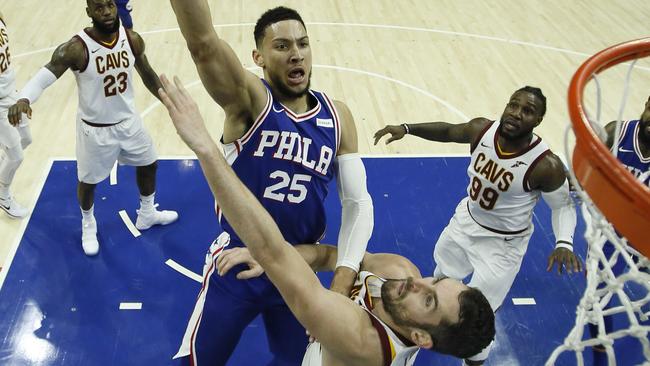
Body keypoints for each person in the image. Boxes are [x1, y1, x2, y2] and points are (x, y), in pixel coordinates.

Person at [158, 74, 495, 366]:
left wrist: (205, 147)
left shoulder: (358, 339)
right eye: (434, 282)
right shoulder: (398, 274)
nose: (418, 282)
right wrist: (271, 256)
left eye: (428, 299)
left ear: (420, 336)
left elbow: (272, 250)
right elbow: (329, 256)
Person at [169, 2, 374, 365]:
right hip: (237, 264)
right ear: (258, 57)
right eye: (282, 46)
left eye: (302, 44)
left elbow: (358, 205)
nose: (296, 54)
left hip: (299, 268)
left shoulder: (337, 116)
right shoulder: (249, 101)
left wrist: (340, 284)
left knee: (297, 360)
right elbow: (202, 42)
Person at [374, 86, 583, 365]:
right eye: (513, 105)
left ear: (538, 121)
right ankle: (424, 329)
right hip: (466, 222)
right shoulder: (482, 130)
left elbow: (562, 206)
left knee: (476, 315)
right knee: (442, 278)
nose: (517, 114)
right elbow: (447, 132)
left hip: (503, 245)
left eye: (528, 111)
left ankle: (474, 362)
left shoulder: (546, 165)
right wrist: (406, 128)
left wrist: (564, 242)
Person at [8, 0, 177, 256]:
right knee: (88, 182)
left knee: (149, 163)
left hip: (128, 121)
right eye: (99, 8)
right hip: (95, 129)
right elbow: (46, 75)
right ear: (89, 12)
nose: (107, 12)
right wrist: (24, 99)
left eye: (109, 5)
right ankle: (88, 222)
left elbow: (147, 73)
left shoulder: (132, 39)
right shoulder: (76, 48)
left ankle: (147, 213)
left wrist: (169, 101)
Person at [587, 96, 649, 365]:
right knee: (595, 298)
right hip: (611, 229)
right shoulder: (617, 132)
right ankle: (601, 352)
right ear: (646, 104)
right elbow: (586, 170)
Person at [0, 11, 32, 218]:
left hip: (11, 91)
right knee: (16, 156)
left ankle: (4, 165)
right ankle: (3, 197)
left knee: (27, 139)